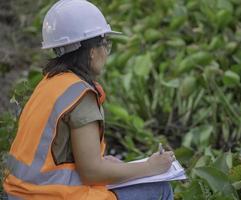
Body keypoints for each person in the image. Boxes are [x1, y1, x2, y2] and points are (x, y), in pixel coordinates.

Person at [2, 0, 175, 199]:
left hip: (18, 193)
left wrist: (104, 162)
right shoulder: (80, 96)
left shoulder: (49, 84)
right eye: (105, 44)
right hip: (51, 196)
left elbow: (54, 160)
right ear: (92, 51)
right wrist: (150, 167)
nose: (106, 52)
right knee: (160, 189)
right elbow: (91, 172)